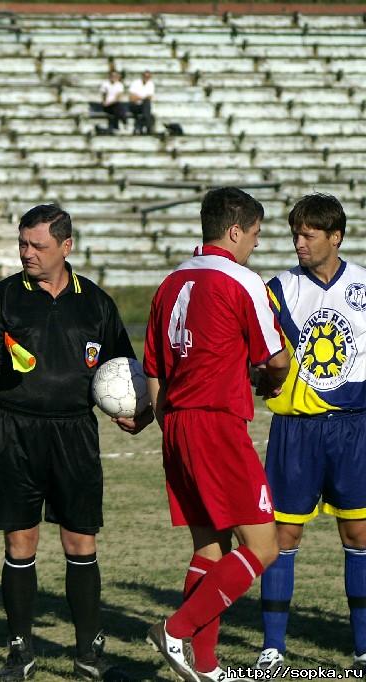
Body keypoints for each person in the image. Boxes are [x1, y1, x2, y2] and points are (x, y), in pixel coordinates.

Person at [0, 204, 150, 681]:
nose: (27, 253)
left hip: (75, 432)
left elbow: (124, 372)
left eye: (37, 245)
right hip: (15, 430)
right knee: (20, 540)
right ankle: (20, 651)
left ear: (66, 247)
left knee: (80, 540)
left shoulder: (97, 303)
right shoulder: (2, 298)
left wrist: (139, 413)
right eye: (23, 244)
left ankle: (89, 653)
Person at [143, 187, 290, 682]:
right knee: (264, 545)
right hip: (216, 423)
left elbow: (155, 373)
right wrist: (267, 382)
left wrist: (168, 422)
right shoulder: (242, 280)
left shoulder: (169, 282)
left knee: (210, 548)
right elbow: (277, 359)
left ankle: (204, 665)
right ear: (234, 231)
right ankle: (176, 630)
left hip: (177, 424)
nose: (254, 244)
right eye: (254, 234)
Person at [255, 194, 366, 674]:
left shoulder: (364, 285)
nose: (298, 243)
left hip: (354, 429)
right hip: (295, 430)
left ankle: (363, 647)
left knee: (359, 532)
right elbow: (256, 355)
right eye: (295, 234)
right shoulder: (277, 290)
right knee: (283, 535)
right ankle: (273, 648)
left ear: (335, 236)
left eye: (308, 235)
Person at [127, 71, 155, 135]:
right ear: (142, 76)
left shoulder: (151, 84)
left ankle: (140, 128)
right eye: (145, 76)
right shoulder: (135, 83)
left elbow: (150, 97)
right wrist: (143, 98)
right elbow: (132, 98)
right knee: (147, 110)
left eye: (148, 77)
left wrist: (138, 97)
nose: (146, 78)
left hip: (143, 106)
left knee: (147, 105)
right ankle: (148, 127)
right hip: (134, 105)